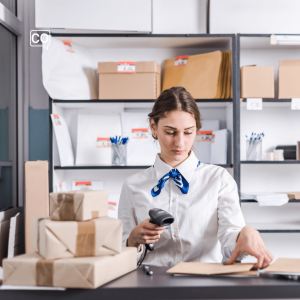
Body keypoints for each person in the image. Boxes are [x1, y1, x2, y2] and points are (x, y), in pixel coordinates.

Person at [118, 86, 273, 268]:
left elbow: (229, 242)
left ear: (197, 129)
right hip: (149, 286)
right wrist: (132, 241)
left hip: (203, 285)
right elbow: (120, 258)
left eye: (188, 132)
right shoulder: (132, 185)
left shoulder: (219, 179)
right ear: (153, 127)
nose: (180, 142)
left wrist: (244, 235)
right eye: (170, 132)